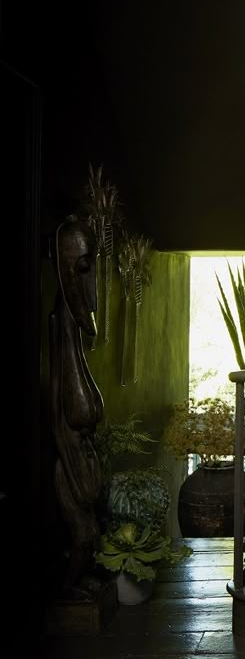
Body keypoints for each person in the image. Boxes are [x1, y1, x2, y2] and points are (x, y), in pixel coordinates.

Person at [48, 216, 104, 597]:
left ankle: (77, 584)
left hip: (83, 455)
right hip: (71, 459)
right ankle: (66, 590)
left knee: (90, 532)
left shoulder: (69, 326)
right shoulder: (58, 321)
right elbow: (75, 407)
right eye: (83, 267)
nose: (91, 288)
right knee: (83, 533)